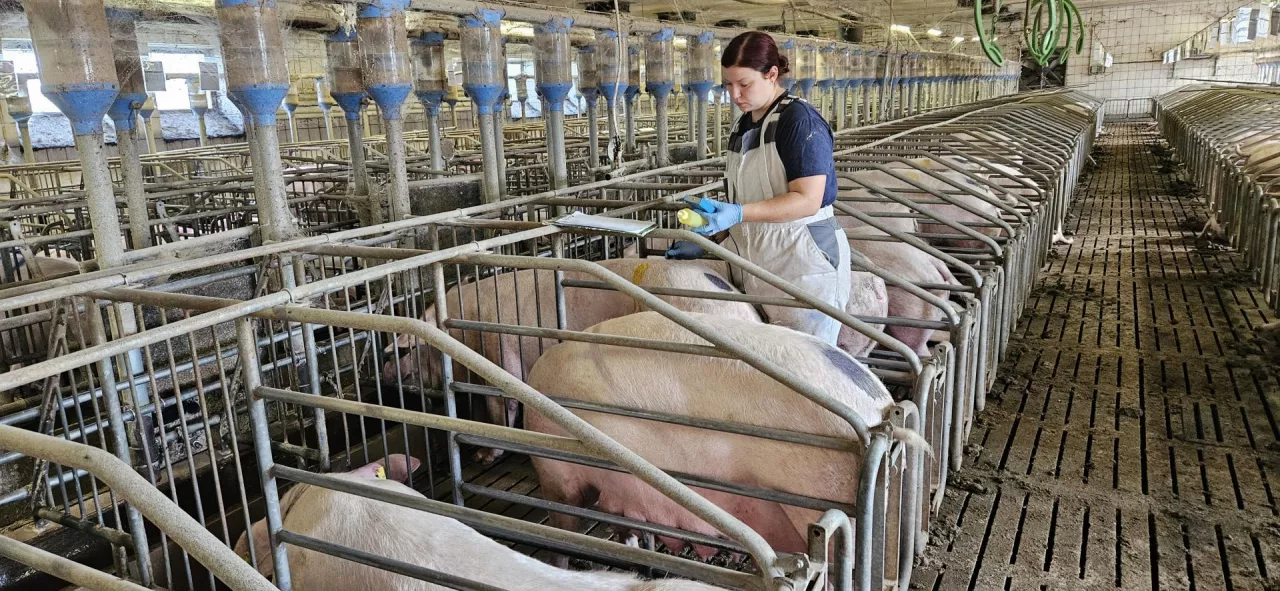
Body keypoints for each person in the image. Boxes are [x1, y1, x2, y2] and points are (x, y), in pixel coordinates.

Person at [667, 31, 851, 346]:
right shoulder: (744, 126)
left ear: (772, 74)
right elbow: (750, 199)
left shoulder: (799, 121)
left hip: (801, 266)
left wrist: (737, 213)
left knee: (804, 370)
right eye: (728, 85)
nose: (734, 94)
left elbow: (808, 200)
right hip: (756, 267)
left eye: (744, 84)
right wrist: (714, 235)